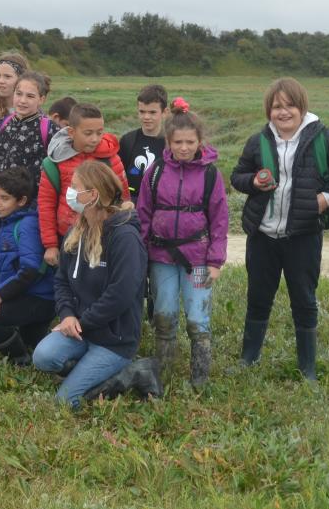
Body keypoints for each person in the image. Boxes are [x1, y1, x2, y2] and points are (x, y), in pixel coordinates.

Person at [230, 77, 329, 380]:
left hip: (303, 235)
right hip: (263, 236)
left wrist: (327, 197)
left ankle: (308, 369)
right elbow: (237, 176)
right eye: (277, 106)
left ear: (302, 107)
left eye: (290, 105)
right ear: (268, 110)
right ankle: (248, 360)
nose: (283, 112)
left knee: (304, 299)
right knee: (258, 298)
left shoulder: (323, 138)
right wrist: (253, 182)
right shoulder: (258, 141)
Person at [32, 161, 146, 408]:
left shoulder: (125, 237)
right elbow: (61, 279)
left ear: (93, 195)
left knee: (64, 403)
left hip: (114, 339)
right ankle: (86, 367)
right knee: (42, 357)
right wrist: (66, 315)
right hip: (81, 330)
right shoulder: (78, 229)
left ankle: (130, 372)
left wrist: (82, 322)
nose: (69, 193)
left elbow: (121, 294)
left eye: (75, 187)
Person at [136, 99, 229, 390]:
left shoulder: (211, 175)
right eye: (179, 142)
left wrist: (215, 262)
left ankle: (199, 381)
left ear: (200, 141)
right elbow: (143, 214)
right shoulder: (156, 172)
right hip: (161, 257)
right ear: (169, 142)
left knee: (198, 319)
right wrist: (141, 255)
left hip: (198, 260)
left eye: (190, 142)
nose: (185, 148)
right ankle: (161, 375)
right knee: (163, 316)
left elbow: (219, 220)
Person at [0, 70, 54, 289]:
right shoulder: (1, 126)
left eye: (30, 96)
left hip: (32, 212)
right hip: (0, 209)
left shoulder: (50, 130)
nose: (23, 100)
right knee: (0, 257)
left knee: (27, 261)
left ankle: (26, 311)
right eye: (19, 94)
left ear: (42, 99)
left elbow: (57, 177)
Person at [0, 167, 54, 365]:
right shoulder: (10, 221)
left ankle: (19, 361)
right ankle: (27, 342)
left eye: (5, 198)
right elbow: (3, 268)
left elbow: (30, 270)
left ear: (21, 201)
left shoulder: (26, 225)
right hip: (30, 296)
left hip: (40, 299)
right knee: (30, 342)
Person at [38, 102, 128, 267]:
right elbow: (46, 204)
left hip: (103, 237)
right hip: (67, 238)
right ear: (71, 132)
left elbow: (123, 201)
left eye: (99, 133)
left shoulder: (112, 160)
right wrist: (50, 245)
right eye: (88, 133)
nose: (95, 138)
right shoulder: (55, 162)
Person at [118, 84, 169, 199]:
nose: (146, 117)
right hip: (132, 205)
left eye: (152, 112)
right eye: (142, 111)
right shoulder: (127, 141)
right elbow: (118, 177)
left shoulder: (171, 143)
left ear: (165, 112)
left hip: (161, 206)